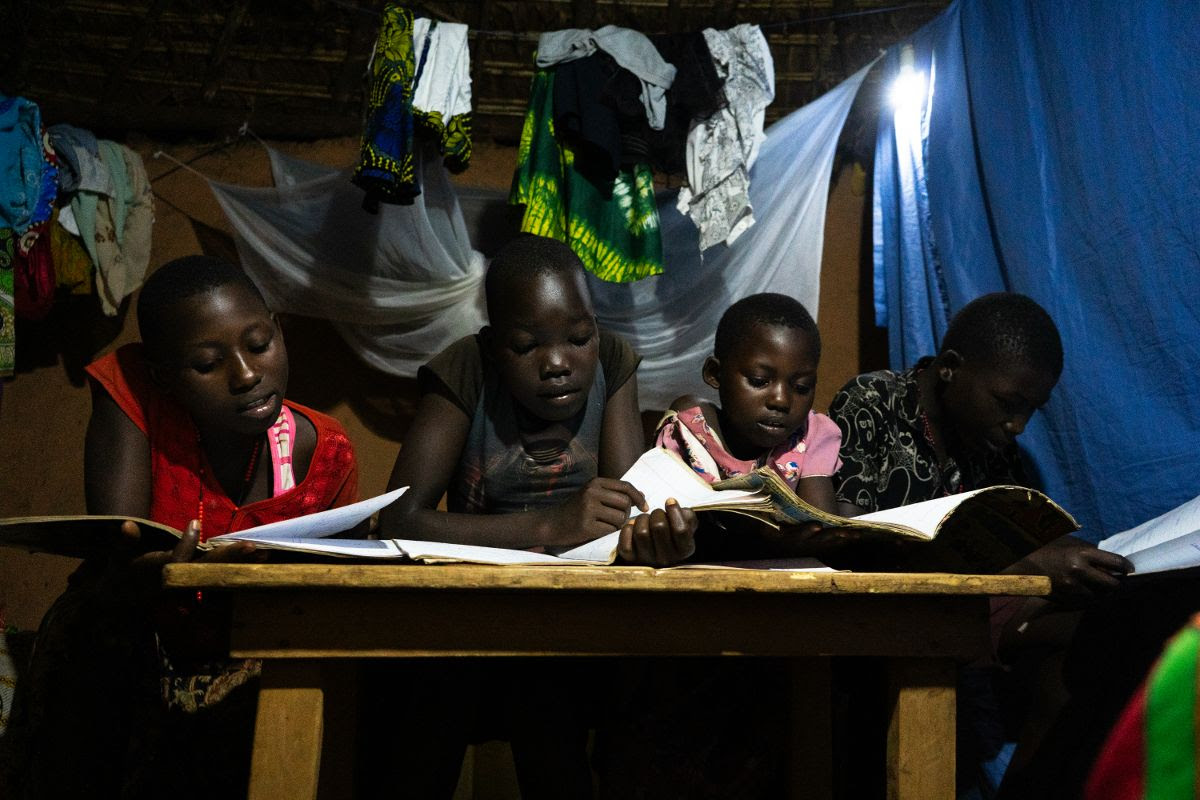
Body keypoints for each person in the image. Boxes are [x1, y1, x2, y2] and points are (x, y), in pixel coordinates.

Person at [0, 256, 359, 799]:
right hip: (126, 637)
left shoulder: (323, 452)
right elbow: (117, 545)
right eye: (207, 364)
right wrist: (150, 575)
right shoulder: (135, 397)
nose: (245, 374)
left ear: (278, 333)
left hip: (247, 649)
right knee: (101, 638)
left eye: (259, 344)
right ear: (162, 376)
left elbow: (325, 593)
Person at [371, 234, 697, 798]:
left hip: (575, 612)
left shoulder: (613, 361)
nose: (558, 363)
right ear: (495, 345)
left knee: (568, 693)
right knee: (430, 697)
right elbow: (399, 519)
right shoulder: (465, 370)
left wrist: (656, 537)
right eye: (527, 347)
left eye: (579, 338)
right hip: (471, 611)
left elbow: (627, 503)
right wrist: (549, 527)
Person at [828, 291, 1132, 797]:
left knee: (1099, 633)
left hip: (969, 616)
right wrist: (1032, 559)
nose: (1017, 426)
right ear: (950, 368)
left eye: (1031, 410)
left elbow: (1033, 541)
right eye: (1008, 404)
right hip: (879, 611)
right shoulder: (872, 403)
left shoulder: (998, 453)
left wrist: (1082, 561)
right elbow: (853, 537)